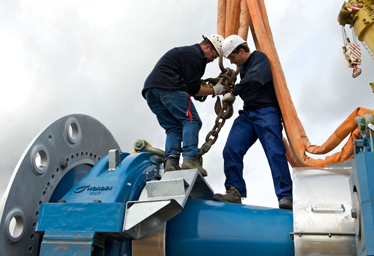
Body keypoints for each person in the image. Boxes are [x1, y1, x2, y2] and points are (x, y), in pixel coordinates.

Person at [212, 35, 293, 210]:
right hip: (248, 114)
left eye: (232, 57)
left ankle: (286, 197)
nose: (233, 62)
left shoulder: (259, 58)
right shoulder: (242, 68)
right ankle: (235, 191)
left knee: (275, 152)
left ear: (241, 50)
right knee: (231, 148)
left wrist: (234, 92)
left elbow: (256, 78)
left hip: (266, 112)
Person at [142, 34, 225, 177]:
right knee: (192, 120)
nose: (213, 59)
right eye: (214, 55)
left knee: (173, 127)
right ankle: (190, 159)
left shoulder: (187, 53)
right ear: (207, 47)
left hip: (151, 91)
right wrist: (214, 90)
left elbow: (191, 85)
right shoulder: (195, 56)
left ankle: (171, 162)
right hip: (169, 87)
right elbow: (194, 88)